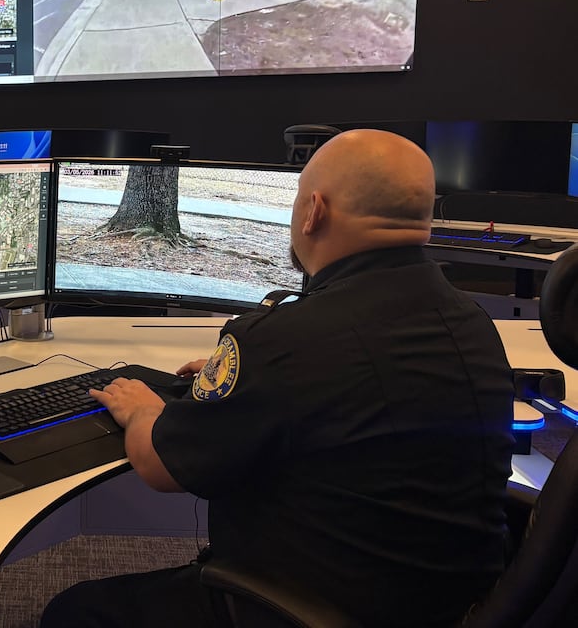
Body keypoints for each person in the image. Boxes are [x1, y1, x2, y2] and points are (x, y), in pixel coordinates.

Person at [40, 129, 515, 628]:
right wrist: (257, 377)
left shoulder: (283, 338)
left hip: (304, 606)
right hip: (449, 603)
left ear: (313, 211)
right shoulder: (470, 320)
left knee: (73, 612)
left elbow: (161, 468)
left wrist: (143, 409)